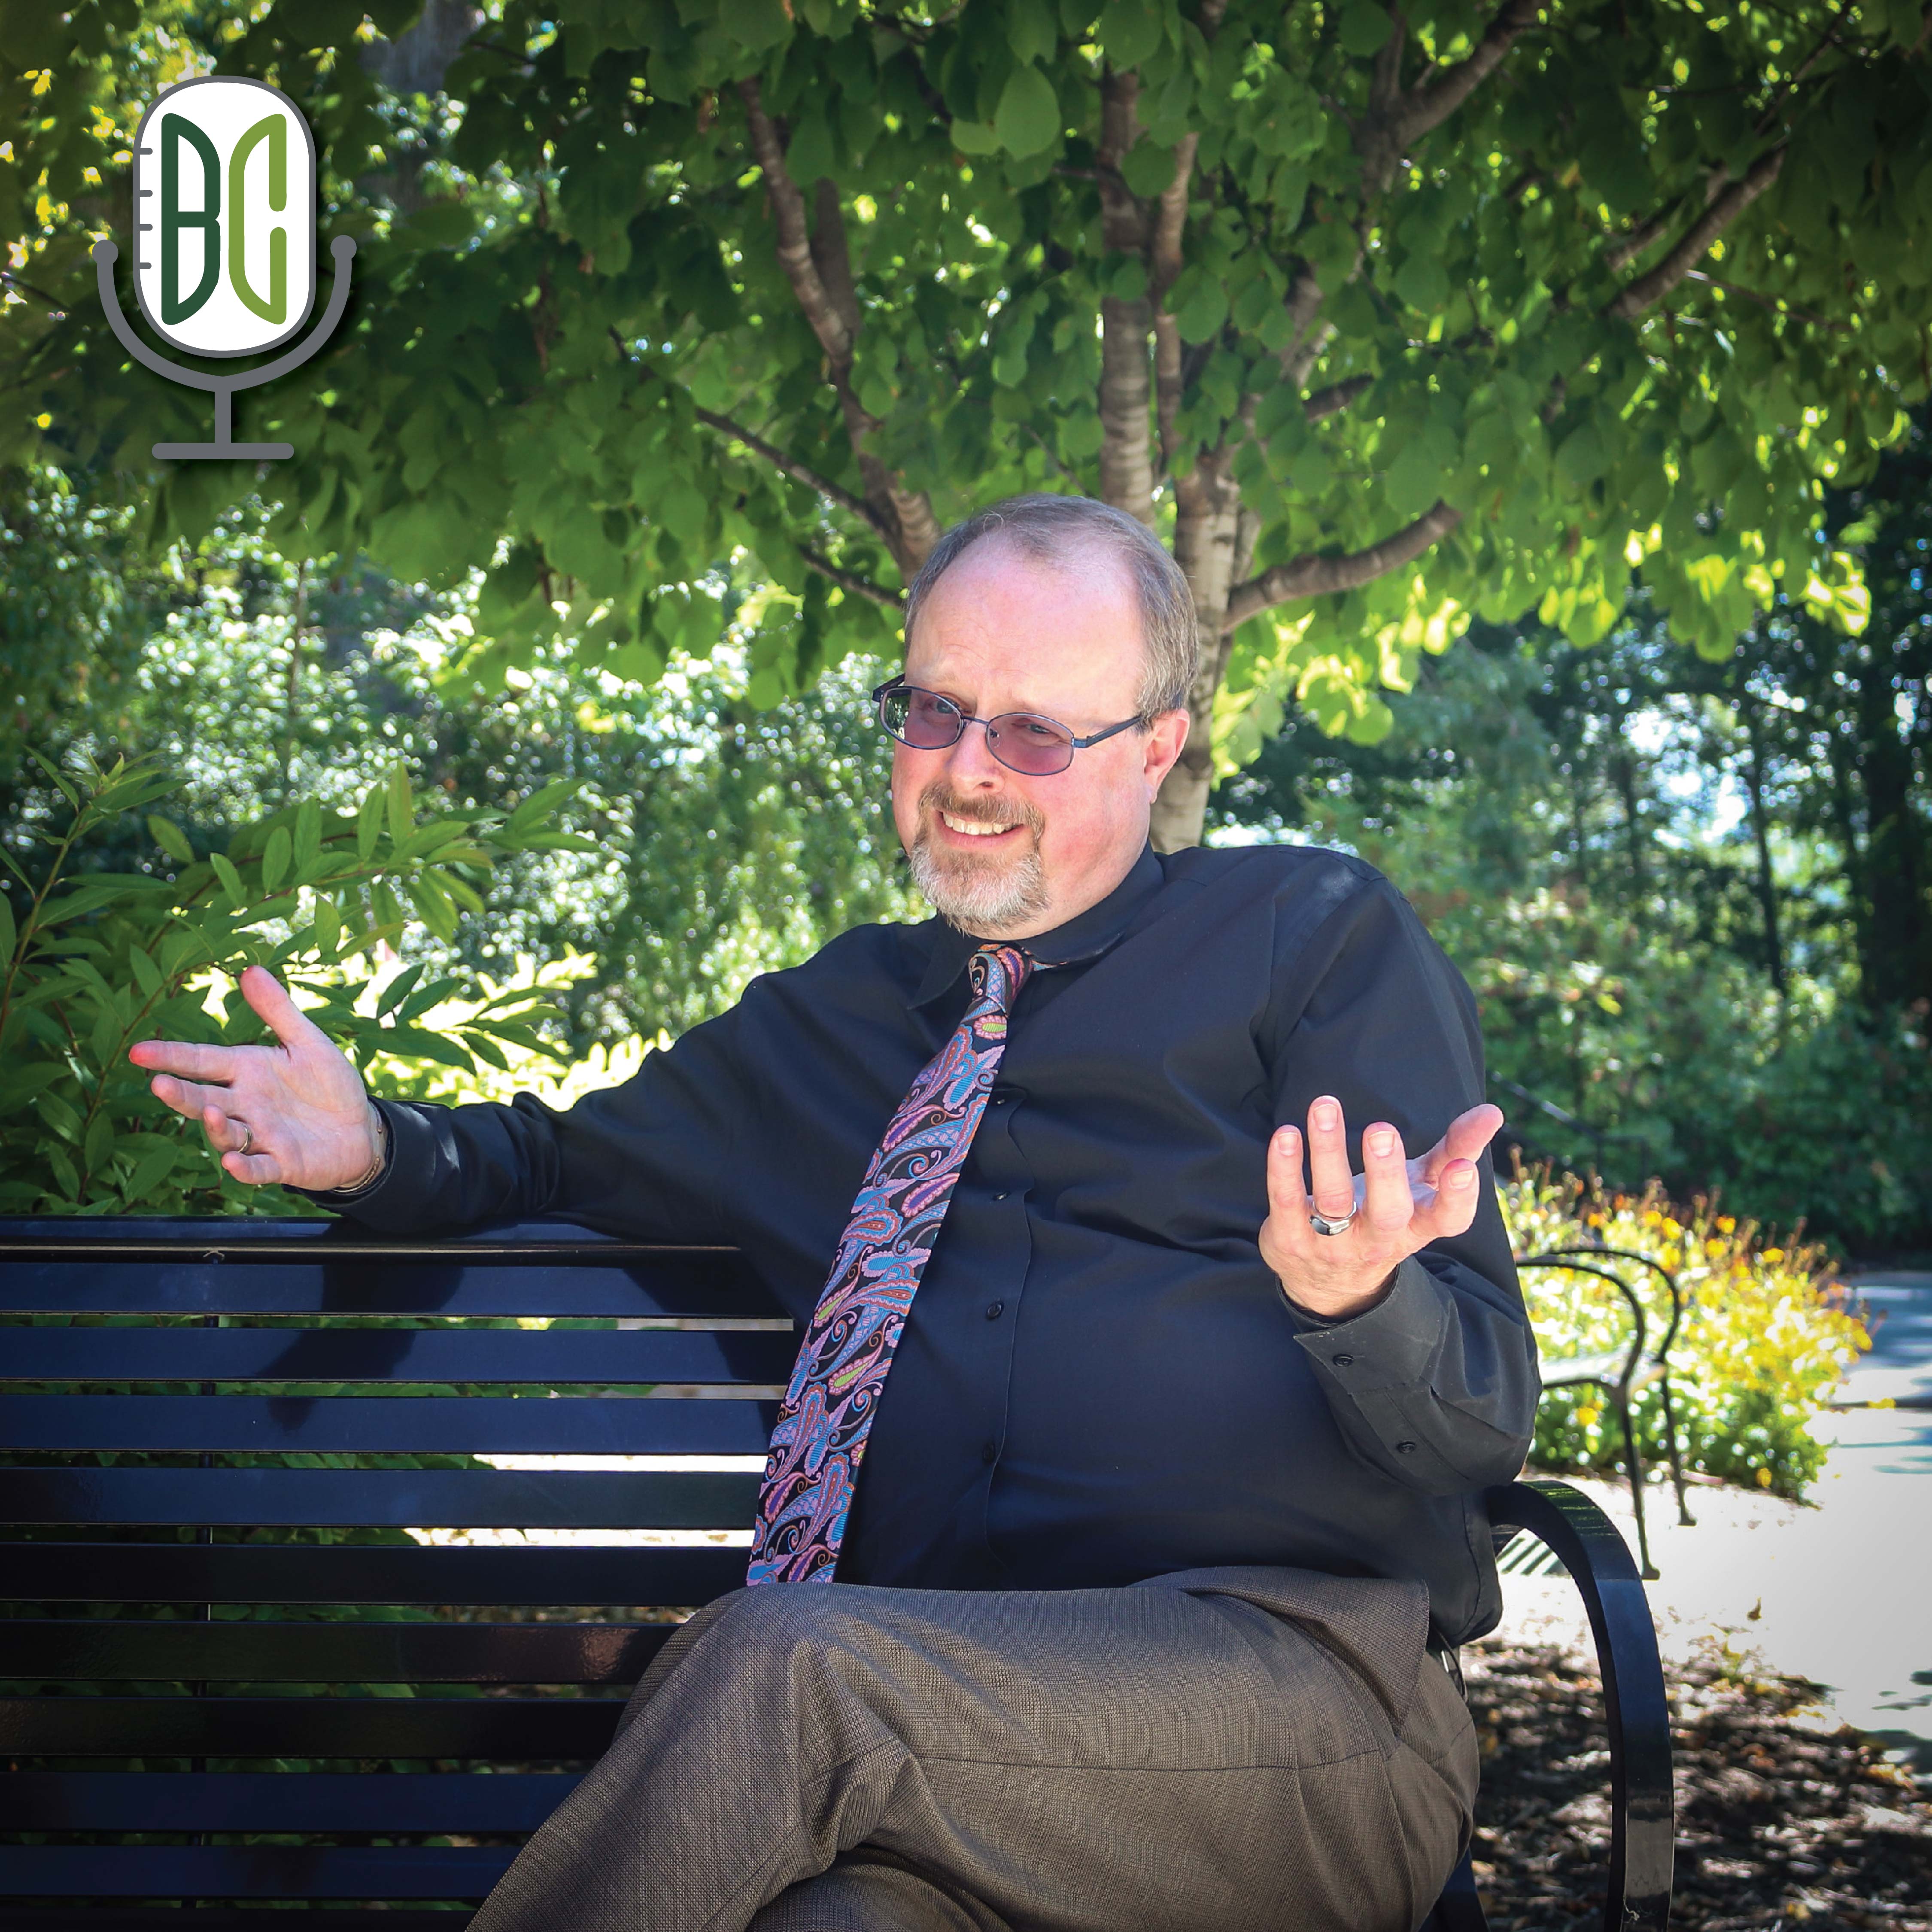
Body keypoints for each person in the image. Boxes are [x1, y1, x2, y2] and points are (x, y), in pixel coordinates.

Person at [131, 494, 1537, 1932]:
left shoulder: (1307, 941)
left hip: (1290, 1710)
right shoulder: (837, 1021)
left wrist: (1363, 1298)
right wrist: (371, 1144)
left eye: (1034, 733)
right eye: (932, 712)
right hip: (933, 1757)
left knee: (785, 1666)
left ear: (1158, 743)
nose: (967, 771)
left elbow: (1482, 1424)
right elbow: (556, 1157)